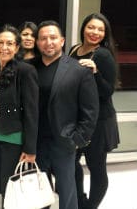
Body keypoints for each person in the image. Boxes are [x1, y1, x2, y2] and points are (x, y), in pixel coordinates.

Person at [33, 20, 99, 209]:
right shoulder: (30, 68)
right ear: (38, 43)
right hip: (35, 141)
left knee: (67, 190)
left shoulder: (78, 70)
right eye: (43, 38)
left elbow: (90, 109)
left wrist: (78, 139)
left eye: (53, 37)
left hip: (64, 140)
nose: (48, 42)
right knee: (39, 190)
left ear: (62, 41)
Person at [0, 24, 39, 205]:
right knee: (2, 187)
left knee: (12, 191)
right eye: (0, 42)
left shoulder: (25, 71)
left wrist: (30, 149)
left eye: (9, 43)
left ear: (16, 47)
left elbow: (32, 112)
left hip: (13, 141)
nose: (4, 47)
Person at [69, 13, 120, 209]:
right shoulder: (75, 49)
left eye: (100, 29)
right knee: (71, 161)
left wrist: (95, 72)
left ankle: (90, 206)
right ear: (83, 28)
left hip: (99, 121)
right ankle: (80, 200)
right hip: (79, 119)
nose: (95, 32)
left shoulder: (103, 55)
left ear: (105, 33)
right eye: (91, 27)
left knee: (96, 166)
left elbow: (108, 91)